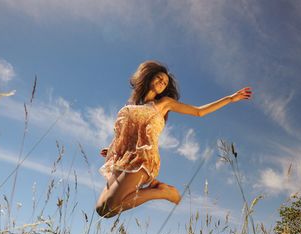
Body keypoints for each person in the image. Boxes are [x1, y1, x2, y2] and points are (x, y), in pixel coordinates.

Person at [95, 60, 252, 218]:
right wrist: (112, 149)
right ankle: (158, 190)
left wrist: (230, 98)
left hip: (142, 160)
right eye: (159, 78)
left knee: (111, 208)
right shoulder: (132, 106)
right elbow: (126, 134)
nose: (162, 82)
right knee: (102, 209)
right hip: (125, 159)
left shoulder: (163, 103)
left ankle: (163, 192)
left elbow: (198, 112)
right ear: (148, 77)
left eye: (164, 82)